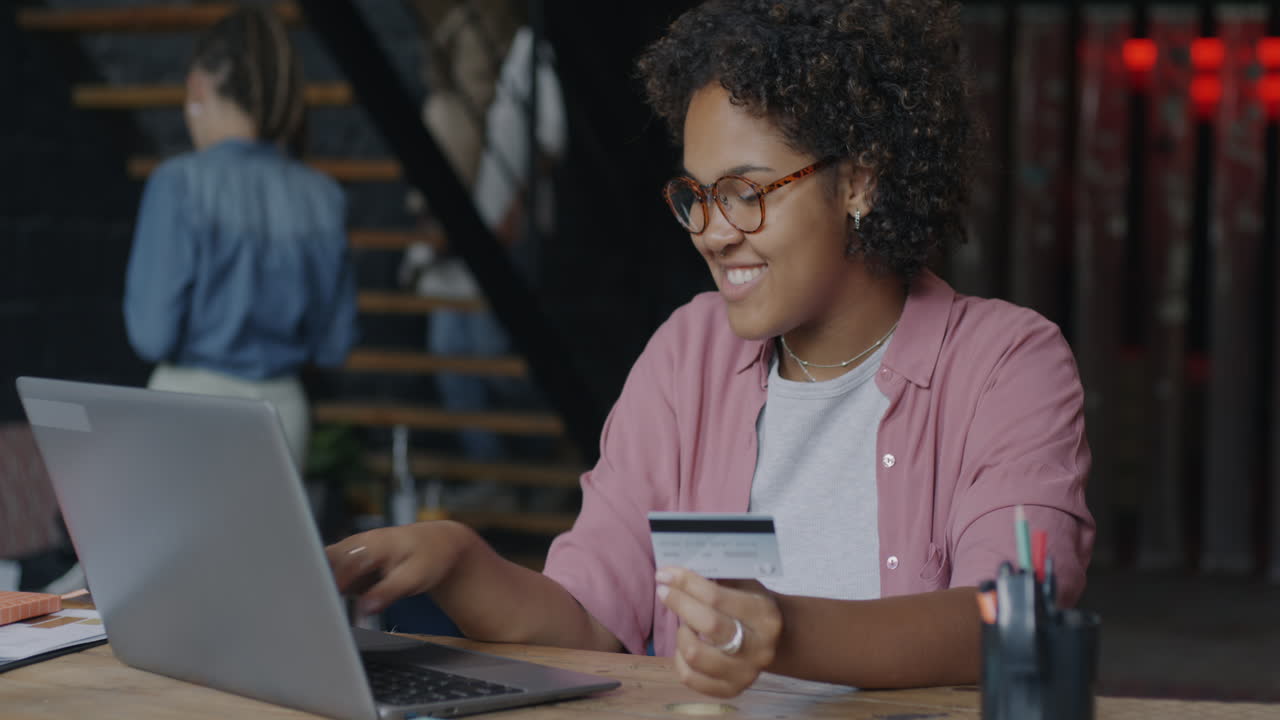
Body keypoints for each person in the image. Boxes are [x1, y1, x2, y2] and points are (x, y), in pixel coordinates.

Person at [327, 0, 1093, 697]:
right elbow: (591, 622)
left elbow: (1006, 620)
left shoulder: (1006, 366)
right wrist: (460, 561)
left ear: (860, 181)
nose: (711, 233)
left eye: (745, 194)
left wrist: (778, 633)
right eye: (697, 196)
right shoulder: (687, 354)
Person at [123, 5, 358, 469]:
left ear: (197, 86)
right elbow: (335, 344)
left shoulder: (179, 183)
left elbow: (152, 335)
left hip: (187, 409)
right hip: (283, 412)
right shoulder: (324, 196)